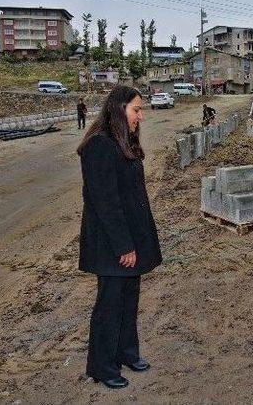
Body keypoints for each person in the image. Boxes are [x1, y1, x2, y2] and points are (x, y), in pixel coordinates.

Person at [76, 86, 162, 389]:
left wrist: (137, 242)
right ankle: (102, 366)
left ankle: (126, 353)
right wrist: (124, 246)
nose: (140, 116)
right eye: (136, 110)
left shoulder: (124, 141)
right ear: (118, 108)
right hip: (112, 243)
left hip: (131, 238)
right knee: (109, 306)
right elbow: (106, 203)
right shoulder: (99, 145)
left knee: (129, 299)